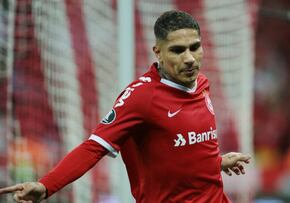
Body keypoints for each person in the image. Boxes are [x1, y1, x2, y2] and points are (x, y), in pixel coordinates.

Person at [0, 10, 251, 203]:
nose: (189, 58)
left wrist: (214, 162)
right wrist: (46, 186)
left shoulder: (202, 83)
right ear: (158, 52)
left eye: (194, 47)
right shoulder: (141, 97)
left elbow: (174, 149)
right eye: (177, 50)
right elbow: (93, 147)